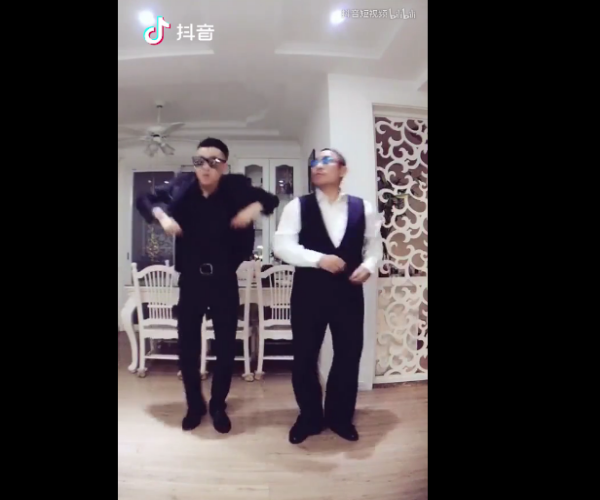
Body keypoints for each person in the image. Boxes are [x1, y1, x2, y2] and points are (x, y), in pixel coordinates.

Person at [136, 137, 279, 433]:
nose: (205, 167)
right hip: (191, 281)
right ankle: (194, 405)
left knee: (226, 347)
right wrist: (161, 216)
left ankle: (217, 405)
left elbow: (271, 199)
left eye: (214, 161)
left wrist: (253, 208)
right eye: (199, 160)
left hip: (224, 280)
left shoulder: (236, 187)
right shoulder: (182, 185)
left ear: (224, 165)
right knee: (187, 347)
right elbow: (144, 200)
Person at [273, 148, 382, 444]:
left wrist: (369, 266)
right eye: (314, 162)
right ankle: (309, 417)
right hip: (308, 292)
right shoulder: (297, 206)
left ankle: (340, 417)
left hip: (348, 292)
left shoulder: (364, 208)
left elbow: (374, 248)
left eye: (325, 161)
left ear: (342, 170)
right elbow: (282, 246)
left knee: (348, 354)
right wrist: (319, 259)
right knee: (305, 356)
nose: (317, 166)